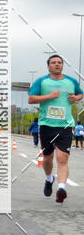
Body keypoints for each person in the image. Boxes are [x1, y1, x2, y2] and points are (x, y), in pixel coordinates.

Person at [28, 55, 83, 202]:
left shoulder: (71, 81)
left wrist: (76, 98)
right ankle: (49, 178)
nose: (57, 65)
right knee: (47, 158)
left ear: (62, 65)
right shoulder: (42, 81)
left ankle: (61, 189)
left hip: (65, 125)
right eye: (54, 62)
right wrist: (49, 96)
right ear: (48, 66)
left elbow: (80, 93)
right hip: (46, 125)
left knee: (62, 158)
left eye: (59, 62)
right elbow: (31, 98)